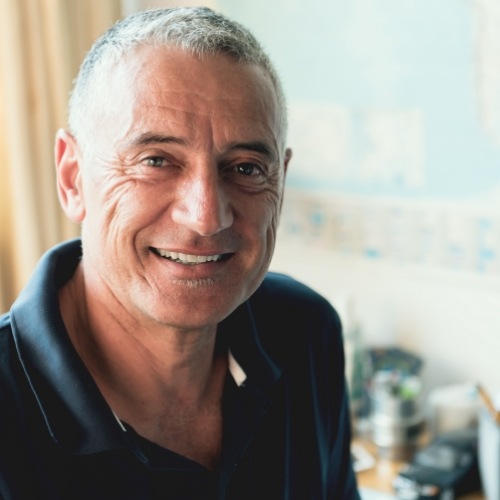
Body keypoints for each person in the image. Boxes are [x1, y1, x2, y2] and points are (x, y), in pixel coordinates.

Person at [0, 7, 360, 499]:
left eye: (247, 167)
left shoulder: (305, 332)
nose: (207, 216)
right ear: (72, 177)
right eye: (156, 160)